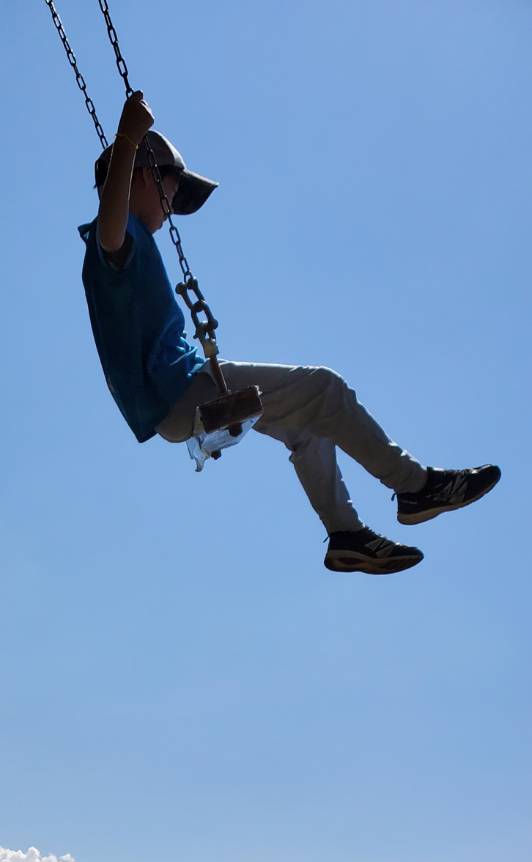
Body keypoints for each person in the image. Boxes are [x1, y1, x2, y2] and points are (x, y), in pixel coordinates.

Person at [80, 91, 501, 574]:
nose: (172, 204)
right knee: (324, 387)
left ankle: (346, 534)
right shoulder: (116, 239)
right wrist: (129, 137)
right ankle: (415, 486)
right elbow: (111, 228)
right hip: (179, 392)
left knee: (309, 423)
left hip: (178, 400)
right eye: (170, 190)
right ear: (142, 177)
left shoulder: (130, 243)